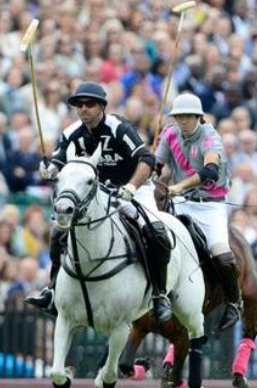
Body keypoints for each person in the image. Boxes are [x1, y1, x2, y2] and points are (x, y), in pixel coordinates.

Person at [25, 81, 172, 322]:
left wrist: (131, 187)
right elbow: (58, 163)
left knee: (155, 231)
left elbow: (146, 158)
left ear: (102, 106)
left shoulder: (119, 128)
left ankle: (159, 295)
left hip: (132, 188)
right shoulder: (71, 133)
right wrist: (49, 170)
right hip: (96, 195)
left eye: (89, 104)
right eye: (79, 104)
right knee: (58, 233)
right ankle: (51, 291)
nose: (83, 109)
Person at [155, 93, 241, 331]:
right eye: (178, 116)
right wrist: (152, 172)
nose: (182, 121)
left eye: (187, 116)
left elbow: (211, 170)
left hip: (210, 205)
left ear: (198, 117)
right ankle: (158, 295)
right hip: (181, 202)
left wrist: (180, 186)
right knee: (158, 241)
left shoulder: (210, 137)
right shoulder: (169, 133)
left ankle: (234, 301)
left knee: (221, 254)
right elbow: (157, 165)